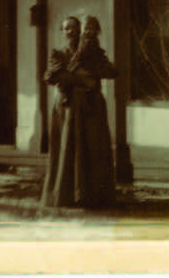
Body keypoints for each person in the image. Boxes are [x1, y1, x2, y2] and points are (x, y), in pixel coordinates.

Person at [41, 14, 118, 209]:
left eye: (74, 28)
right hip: (67, 109)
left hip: (91, 107)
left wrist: (80, 74)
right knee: (68, 150)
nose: (70, 32)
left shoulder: (94, 53)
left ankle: (91, 196)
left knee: (91, 149)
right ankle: (67, 195)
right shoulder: (58, 54)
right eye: (66, 28)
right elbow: (52, 77)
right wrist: (86, 79)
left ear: (81, 31)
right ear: (62, 31)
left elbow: (111, 71)